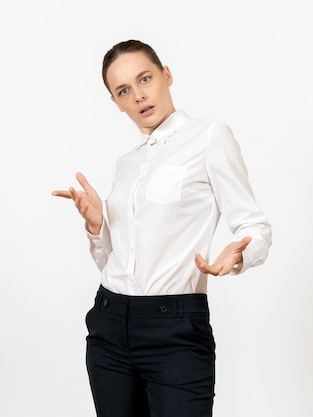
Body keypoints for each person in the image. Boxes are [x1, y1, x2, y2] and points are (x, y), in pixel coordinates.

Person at [52, 39, 272, 417]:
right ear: (116, 102)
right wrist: (96, 225)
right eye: (124, 90)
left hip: (175, 329)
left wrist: (237, 254)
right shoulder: (127, 164)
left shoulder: (209, 137)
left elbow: (255, 225)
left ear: (166, 75)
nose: (139, 95)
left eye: (145, 79)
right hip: (108, 323)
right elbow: (112, 261)